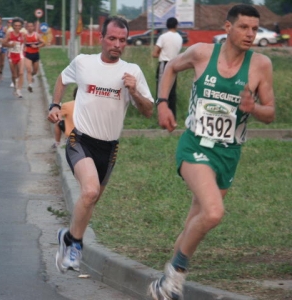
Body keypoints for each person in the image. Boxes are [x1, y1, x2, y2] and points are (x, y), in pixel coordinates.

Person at [149, 5, 275, 300]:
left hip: (229, 154)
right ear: (227, 28)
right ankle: (175, 276)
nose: (250, 34)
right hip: (195, 145)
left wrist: (253, 108)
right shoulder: (202, 52)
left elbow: (270, 113)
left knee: (197, 220)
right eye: (244, 27)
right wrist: (163, 104)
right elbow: (170, 68)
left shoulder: (261, 65)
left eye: (255, 29)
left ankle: (165, 285)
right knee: (214, 212)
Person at [47, 16, 154, 273]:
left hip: (109, 148)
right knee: (90, 191)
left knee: (90, 200)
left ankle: (68, 238)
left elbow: (148, 111)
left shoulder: (133, 72)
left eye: (122, 40)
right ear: (101, 38)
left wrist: (134, 91)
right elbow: (62, 78)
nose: (117, 44)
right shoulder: (84, 62)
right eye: (112, 38)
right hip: (80, 139)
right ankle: (75, 244)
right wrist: (54, 105)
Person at [152, 17, 182, 119]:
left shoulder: (163, 37)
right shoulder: (179, 38)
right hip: (175, 65)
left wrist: (161, 53)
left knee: (161, 91)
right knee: (172, 92)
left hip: (164, 65)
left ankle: (161, 116)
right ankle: (173, 116)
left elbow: (154, 53)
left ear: (167, 25)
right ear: (176, 25)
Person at [2, 18, 26, 98]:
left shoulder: (23, 34)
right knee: (14, 74)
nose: (17, 27)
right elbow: (3, 44)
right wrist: (10, 45)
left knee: (21, 72)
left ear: (21, 26)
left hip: (20, 55)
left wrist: (24, 49)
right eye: (16, 25)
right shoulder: (9, 34)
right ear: (13, 26)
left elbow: (25, 44)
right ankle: (15, 84)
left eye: (19, 26)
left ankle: (19, 90)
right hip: (11, 55)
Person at [24, 21, 45, 92]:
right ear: (26, 27)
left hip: (35, 54)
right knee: (29, 70)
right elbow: (22, 44)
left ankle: (32, 76)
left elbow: (43, 43)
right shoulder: (25, 35)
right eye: (28, 26)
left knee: (35, 71)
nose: (30, 28)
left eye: (31, 26)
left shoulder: (36, 35)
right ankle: (30, 85)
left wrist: (36, 46)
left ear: (33, 27)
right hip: (28, 55)